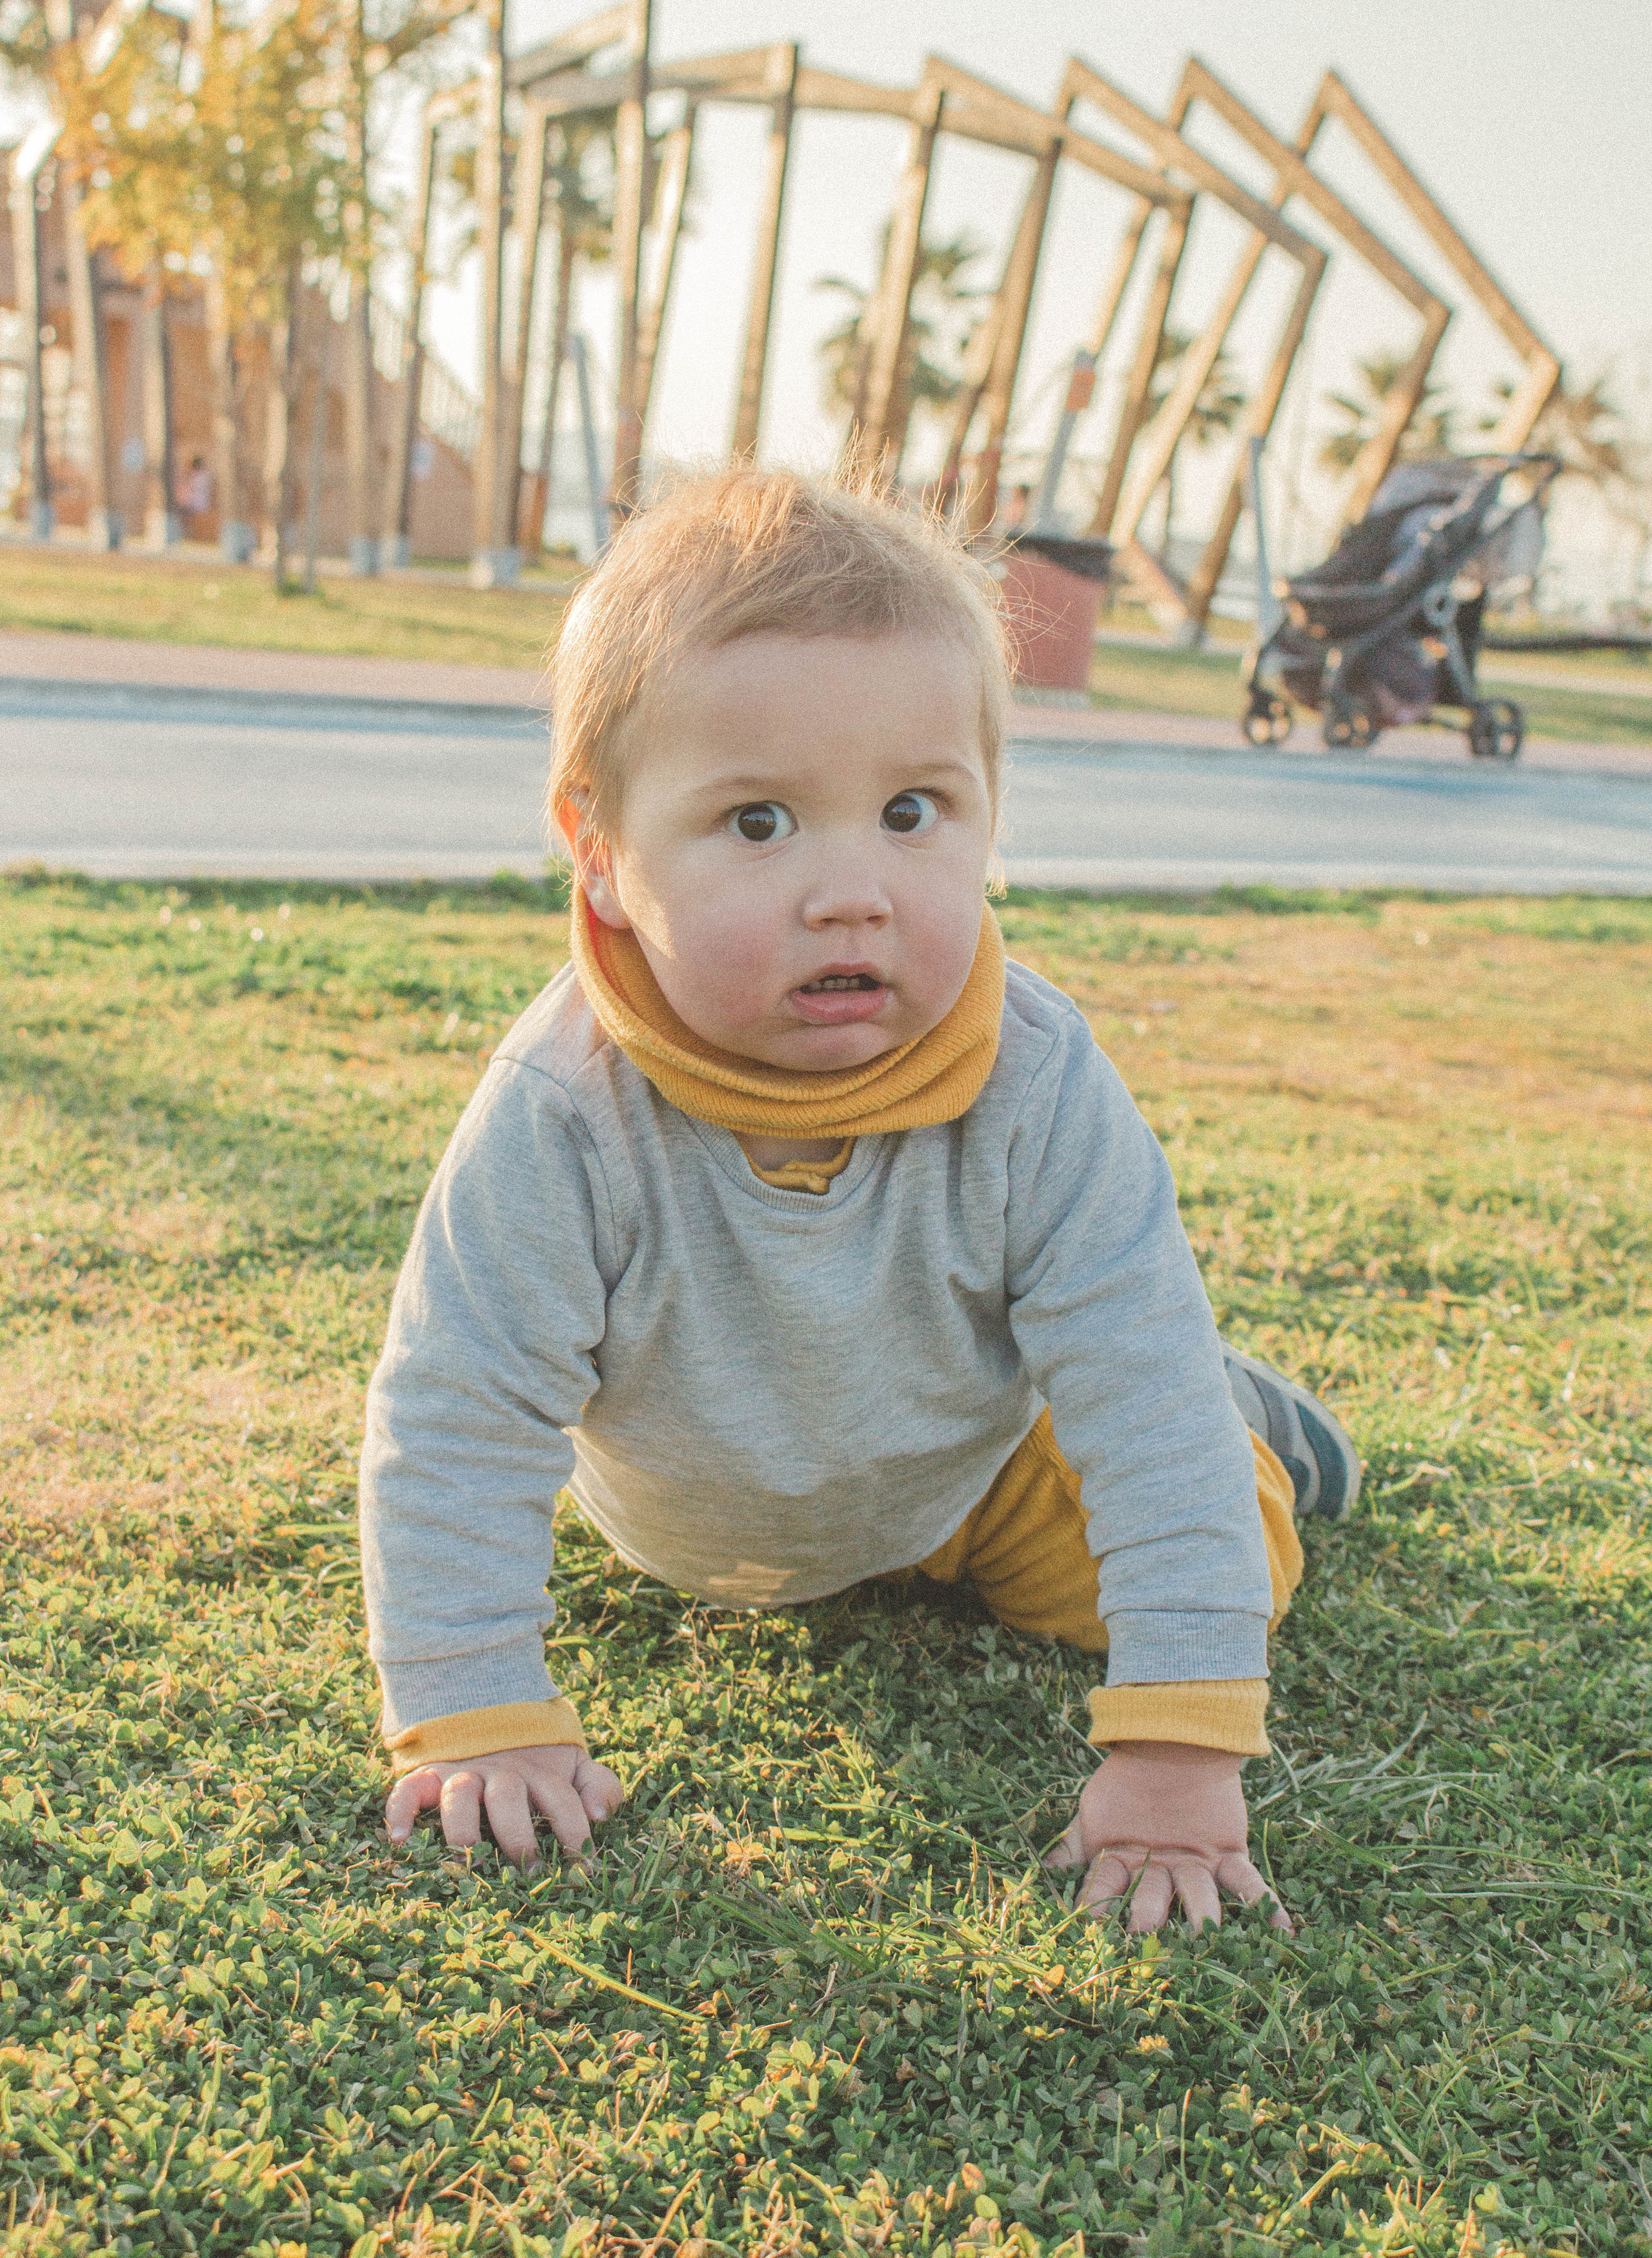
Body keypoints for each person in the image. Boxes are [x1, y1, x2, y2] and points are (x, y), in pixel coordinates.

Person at [360, 468, 1359, 1931]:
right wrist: (478, 1709)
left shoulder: (1036, 1081)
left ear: (987, 812)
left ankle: (1240, 1402)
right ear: (600, 848)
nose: (852, 892)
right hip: (695, 1515)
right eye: (758, 824)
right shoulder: (561, 1109)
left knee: (1219, 1519)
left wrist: (1170, 1757)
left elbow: (1139, 1412)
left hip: (970, 1463)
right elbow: (455, 1417)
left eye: (910, 812)